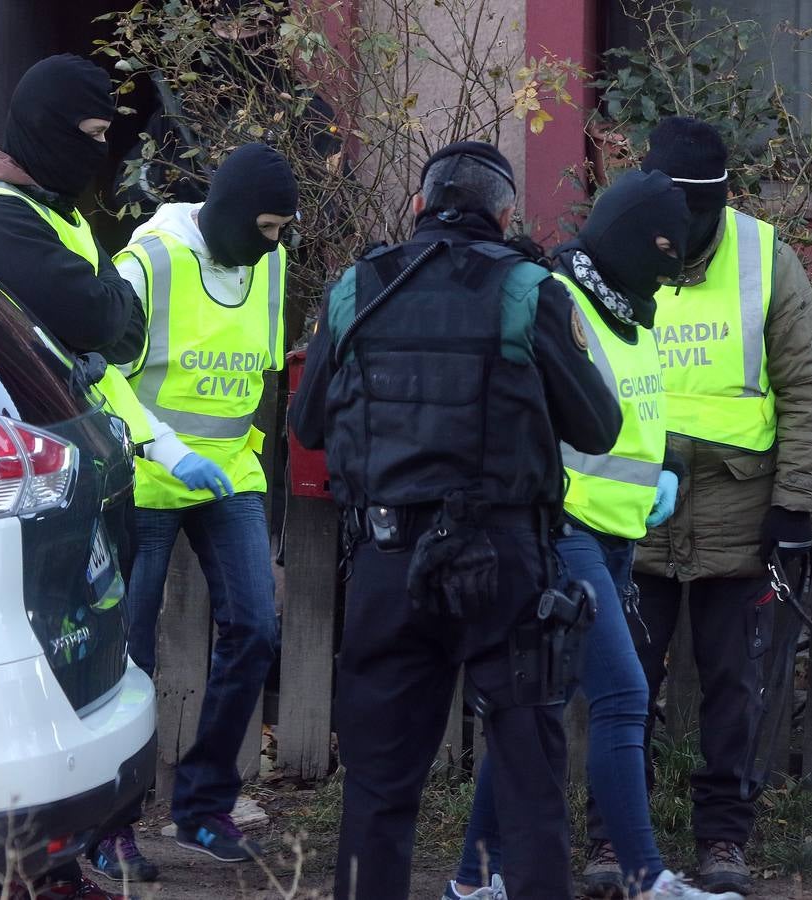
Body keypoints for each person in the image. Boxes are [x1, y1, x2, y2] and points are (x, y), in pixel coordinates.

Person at [290, 141, 623, 900]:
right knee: (530, 779)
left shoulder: (355, 289)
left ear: (417, 208)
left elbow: (309, 426)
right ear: (506, 218)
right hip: (504, 561)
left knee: (376, 785)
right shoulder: (526, 289)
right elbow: (599, 426)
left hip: (386, 559)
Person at [446, 171, 744, 900]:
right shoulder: (557, 299)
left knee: (534, 704)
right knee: (622, 694)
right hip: (561, 530)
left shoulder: (631, 305)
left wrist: (663, 469)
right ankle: (646, 877)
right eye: (660, 256)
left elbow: (638, 413)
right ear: (627, 242)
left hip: (617, 534)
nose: (668, 279)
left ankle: (470, 881)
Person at [583, 116, 812, 896]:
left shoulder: (765, 258)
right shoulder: (611, 254)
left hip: (739, 512)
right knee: (623, 685)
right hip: (631, 514)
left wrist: (794, 504)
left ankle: (724, 839)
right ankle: (611, 842)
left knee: (733, 685)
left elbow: (807, 384)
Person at [0, 53, 150, 900]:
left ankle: (57, 858)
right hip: (27, 481)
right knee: (40, 679)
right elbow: (105, 314)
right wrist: (106, 306)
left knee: (79, 676)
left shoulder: (50, 212)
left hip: (74, 471)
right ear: (43, 128)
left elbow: (123, 326)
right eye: (92, 135)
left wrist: (106, 308)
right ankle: (34, 863)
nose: (99, 154)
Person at [105, 143, 297, 871]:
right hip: (148, 480)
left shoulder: (267, 265)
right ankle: (112, 823)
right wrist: (162, 448)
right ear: (233, 214)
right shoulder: (147, 263)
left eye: (283, 229)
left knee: (254, 628)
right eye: (268, 226)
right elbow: (102, 375)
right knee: (128, 656)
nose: (275, 243)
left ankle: (203, 807)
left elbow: (258, 374)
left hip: (229, 478)